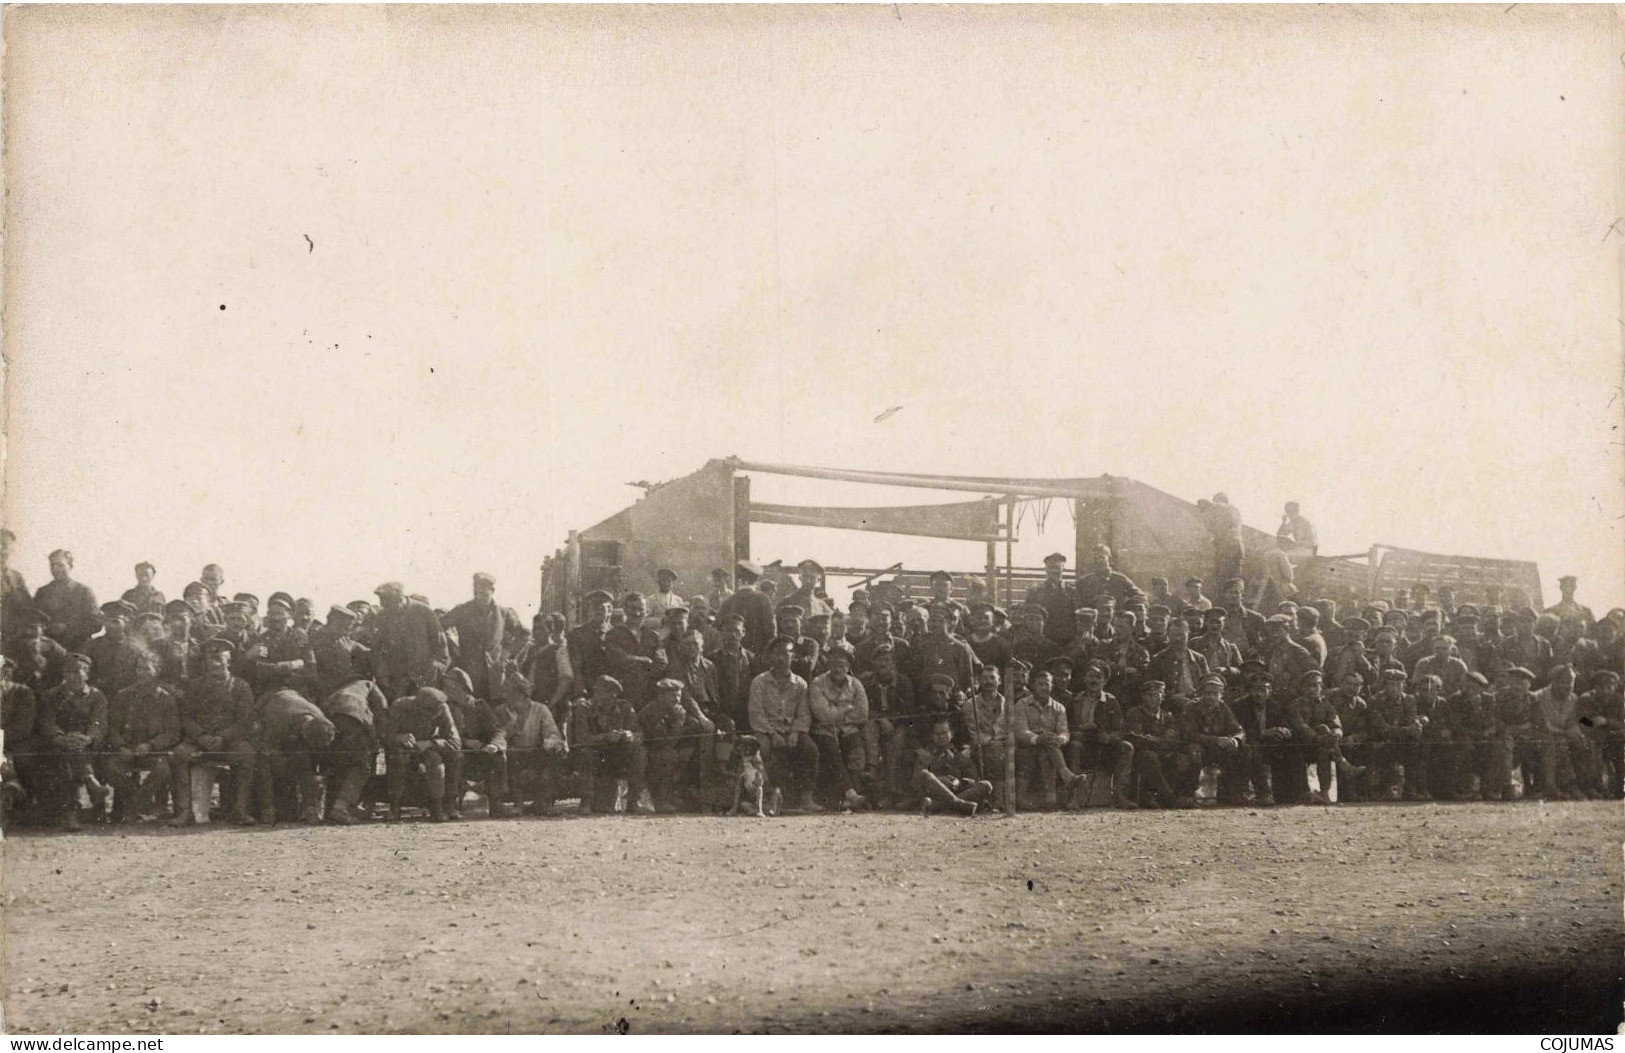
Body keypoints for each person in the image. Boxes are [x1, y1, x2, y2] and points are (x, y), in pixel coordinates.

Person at [172, 638, 259, 826]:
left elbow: (244, 721)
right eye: (210, 659)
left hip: (228, 743)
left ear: (229, 661)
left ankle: (239, 810)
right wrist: (201, 736)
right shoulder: (194, 686)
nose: (214, 663)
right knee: (179, 754)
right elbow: (186, 717)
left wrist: (223, 737)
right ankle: (184, 812)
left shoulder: (241, 686)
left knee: (247, 754)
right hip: (199, 742)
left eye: (219, 659)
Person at [102, 650, 181, 824]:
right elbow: (112, 728)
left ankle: (136, 803)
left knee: (163, 770)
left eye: (147, 669)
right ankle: (142, 802)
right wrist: (121, 746)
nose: (142, 673)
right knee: (110, 768)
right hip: (127, 750)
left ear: (156, 670)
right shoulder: (123, 696)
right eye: (139, 669)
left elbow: (172, 732)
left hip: (152, 752)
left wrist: (151, 745)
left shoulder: (166, 699)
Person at [748, 636, 821, 813]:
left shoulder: (800, 684)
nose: (782, 658)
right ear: (771, 657)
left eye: (786, 654)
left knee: (810, 749)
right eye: (777, 654)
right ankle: (768, 798)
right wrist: (772, 734)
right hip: (766, 730)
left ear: (792, 656)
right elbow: (756, 714)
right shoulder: (759, 682)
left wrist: (796, 733)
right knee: (763, 749)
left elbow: (804, 714)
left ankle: (806, 798)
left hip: (791, 730)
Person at [39, 652, 110, 830]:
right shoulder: (51, 696)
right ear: (64, 674)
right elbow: (48, 722)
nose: (76, 676)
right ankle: (90, 782)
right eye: (71, 671)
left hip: (89, 745)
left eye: (81, 671)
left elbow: (98, 722)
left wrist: (88, 738)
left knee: (74, 754)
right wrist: (61, 738)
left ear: (88, 675)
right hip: (59, 745)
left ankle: (73, 815)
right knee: (67, 758)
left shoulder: (97, 696)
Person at [569, 675, 649, 815]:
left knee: (639, 753)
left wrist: (629, 735)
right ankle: (586, 801)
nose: (597, 696)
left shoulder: (625, 708)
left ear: (614, 694)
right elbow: (582, 738)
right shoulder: (584, 708)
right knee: (584, 753)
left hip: (617, 755)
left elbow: (639, 735)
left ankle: (633, 801)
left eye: (602, 692)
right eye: (596, 691)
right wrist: (606, 737)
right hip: (594, 754)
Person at [254, 687, 335, 824]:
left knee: (303, 760)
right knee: (264, 763)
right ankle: (268, 809)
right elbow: (265, 747)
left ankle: (310, 809)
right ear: (304, 732)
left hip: (293, 701)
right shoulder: (278, 720)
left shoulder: (322, 720)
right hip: (267, 701)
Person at [490, 673, 568, 814]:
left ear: (522, 694)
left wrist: (550, 742)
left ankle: (543, 802)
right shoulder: (501, 711)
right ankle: (518, 804)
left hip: (536, 753)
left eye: (511, 693)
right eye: (506, 693)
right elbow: (500, 734)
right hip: (513, 755)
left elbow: (551, 732)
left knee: (555, 754)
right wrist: (509, 729)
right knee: (507, 758)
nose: (508, 697)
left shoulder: (540, 709)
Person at [383, 685, 462, 822]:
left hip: (426, 747)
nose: (434, 715)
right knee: (398, 759)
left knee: (436, 762)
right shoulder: (400, 706)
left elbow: (455, 742)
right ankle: (394, 807)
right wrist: (399, 737)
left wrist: (431, 744)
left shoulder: (442, 708)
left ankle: (437, 807)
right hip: (402, 748)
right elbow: (385, 734)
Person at [439, 667, 510, 819]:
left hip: (480, 754)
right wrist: (465, 742)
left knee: (498, 757)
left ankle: (496, 803)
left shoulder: (479, 706)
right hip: (456, 752)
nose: (445, 690)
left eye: (449, 686)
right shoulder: (445, 707)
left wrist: (494, 745)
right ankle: (450, 804)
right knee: (456, 758)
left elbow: (498, 730)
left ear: (462, 688)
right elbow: (442, 734)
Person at [444, 572, 527, 700]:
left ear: (492, 591)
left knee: (494, 709)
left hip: (495, 673)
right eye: (476, 593)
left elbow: (524, 634)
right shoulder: (462, 610)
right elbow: (440, 626)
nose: (479, 597)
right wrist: (453, 648)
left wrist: (508, 652)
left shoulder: (504, 613)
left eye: (483, 594)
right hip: (468, 673)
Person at [318, 678, 389, 824]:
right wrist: (380, 738)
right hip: (353, 718)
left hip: (329, 720)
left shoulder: (340, 687)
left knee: (338, 765)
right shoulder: (370, 684)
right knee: (363, 765)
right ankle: (341, 807)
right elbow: (382, 709)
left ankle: (330, 809)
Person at [1066, 659, 1136, 808]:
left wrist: (1109, 737)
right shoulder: (1076, 700)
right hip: (1083, 744)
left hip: (1104, 747)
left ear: (1104, 681)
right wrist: (1076, 732)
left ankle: (1118, 795)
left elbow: (1120, 731)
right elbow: (1066, 726)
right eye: (1090, 676)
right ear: (1084, 678)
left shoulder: (1111, 702)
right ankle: (1073, 797)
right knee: (1074, 746)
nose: (1094, 680)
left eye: (1098, 677)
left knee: (1127, 747)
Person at [641, 677, 715, 813]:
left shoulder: (676, 709)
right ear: (661, 696)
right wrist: (678, 723)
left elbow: (692, 726)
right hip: (650, 749)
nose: (677, 699)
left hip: (668, 746)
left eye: (679, 695)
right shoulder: (653, 711)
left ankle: (685, 797)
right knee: (669, 756)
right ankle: (661, 800)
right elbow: (662, 741)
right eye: (673, 696)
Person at [807, 648, 869, 810]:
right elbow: (823, 715)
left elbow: (862, 713)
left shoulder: (855, 684)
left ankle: (852, 797)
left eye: (841, 665)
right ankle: (850, 793)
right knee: (832, 751)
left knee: (857, 751)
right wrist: (847, 709)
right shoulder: (818, 683)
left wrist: (837, 713)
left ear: (848, 667)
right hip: (825, 730)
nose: (837, 669)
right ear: (828, 665)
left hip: (849, 729)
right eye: (833, 664)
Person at [1013, 669, 1083, 809]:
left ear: (1052, 686)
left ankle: (1050, 799)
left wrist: (1060, 739)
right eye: (1040, 684)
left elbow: (1064, 731)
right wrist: (1038, 738)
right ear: (1033, 686)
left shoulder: (1059, 708)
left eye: (1047, 684)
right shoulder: (1022, 704)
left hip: (1050, 747)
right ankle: (1065, 776)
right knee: (1047, 746)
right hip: (1027, 746)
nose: (1044, 687)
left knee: (1047, 750)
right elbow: (1020, 731)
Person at [371, 582, 450, 700]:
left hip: (425, 676)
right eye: (384, 605)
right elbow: (378, 650)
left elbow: (441, 645)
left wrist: (436, 668)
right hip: (396, 680)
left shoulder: (423, 611)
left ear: (400, 598)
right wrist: (382, 673)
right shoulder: (382, 617)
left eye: (390, 605)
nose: (388, 610)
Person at [1123, 680, 1196, 808]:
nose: (1153, 699)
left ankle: (1164, 796)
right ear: (1142, 697)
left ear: (1162, 697)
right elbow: (1137, 739)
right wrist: (1161, 742)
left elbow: (1175, 740)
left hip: (1163, 753)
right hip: (1140, 756)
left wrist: (1153, 740)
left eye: (1157, 695)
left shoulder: (1168, 716)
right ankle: (1168, 798)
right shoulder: (1134, 714)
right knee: (1149, 756)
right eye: (1149, 695)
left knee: (1180, 758)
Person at [1179, 673, 1246, 805]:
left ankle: (1231, 793)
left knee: (1244, 750)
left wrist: (1235, 740)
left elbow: (1239, 730)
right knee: (1194, 751)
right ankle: (1186, 795)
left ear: (1221, 694)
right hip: (1196, 748)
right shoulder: (1191, 707)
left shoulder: (1223, 707)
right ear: (1201, 693)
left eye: (1215, 694)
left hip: (1216, 749)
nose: (1211, 697)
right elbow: (1189, 734)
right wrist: (1217, 740)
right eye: (1208, 693)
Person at [913, 717, 992, 816]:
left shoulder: (960, 752)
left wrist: (959, 781)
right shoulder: (925, 753)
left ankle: (937, 806)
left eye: (944, 733)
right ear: (932, 736)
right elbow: (917, 781)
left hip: (957, 789)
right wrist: (940, 780)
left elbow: (973, 777)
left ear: (952, 733)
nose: (941, 737)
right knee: (925, 774)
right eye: (937, 734)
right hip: (936, 792)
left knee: (986, 785)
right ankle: (958, 804)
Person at [33, 550, 99, 652]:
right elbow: (33, 620)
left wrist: (67, 628)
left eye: (60, 565)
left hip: (77, 649)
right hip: (49, 650)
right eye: (52, 565)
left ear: (70, 566)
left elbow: (96, 624)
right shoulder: (42, 592)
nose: (55, 569)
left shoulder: (84, 592)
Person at [911, 603, 980, 697]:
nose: (936, 624)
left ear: (948, 622)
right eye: (933, 621)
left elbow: (974, 671)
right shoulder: (923, 646)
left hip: (953, 696)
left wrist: (969, 689)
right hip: (927, 695)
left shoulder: (960, 647)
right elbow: (915, 671)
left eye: (940, 621)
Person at [253, 596, 317, 694]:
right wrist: (291, 665)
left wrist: (288, 679)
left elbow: (311, 668)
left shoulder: (300, 636)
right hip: (270, 692)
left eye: (279, 613)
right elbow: (261, 669)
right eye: (271, 613)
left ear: (289, 615)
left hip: (298, 690)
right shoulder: (262, 639)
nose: (275, 618)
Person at [84, 600, 143, 699]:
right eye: (107, 621)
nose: (110, 625)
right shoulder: (91, 645)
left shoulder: (136, 647)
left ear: (126, 622)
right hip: (98, 696)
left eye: (116, 621)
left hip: (128, 698)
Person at [1024, 553, 1079, 645]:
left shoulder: (1072, 591)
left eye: (1057, 567)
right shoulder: (1035, 591)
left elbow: (1076, 616)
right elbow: (1028, 616)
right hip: (1044, 640)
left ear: (1063, 568)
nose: (1054, 570)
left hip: (1067, 640)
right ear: (1046, 569)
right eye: (1051, 567)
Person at [1199, 494, 1245, 586]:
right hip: (1238, 545)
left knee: (1222, 577)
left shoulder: (1220, 507)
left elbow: (1214, 527)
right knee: (1235, 577)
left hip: (1226, 545)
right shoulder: (1235, 511)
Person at [1252, 537, 1298, 613]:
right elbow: (1289, 576)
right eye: (1289, 544)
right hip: (1277, 587)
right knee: (1278, 609)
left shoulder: (1266, 553)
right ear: (1285, 543)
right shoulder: (1282, 554)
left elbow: (1259, 572)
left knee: (1261, 608)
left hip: (1264, 586)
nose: (1289, 547)